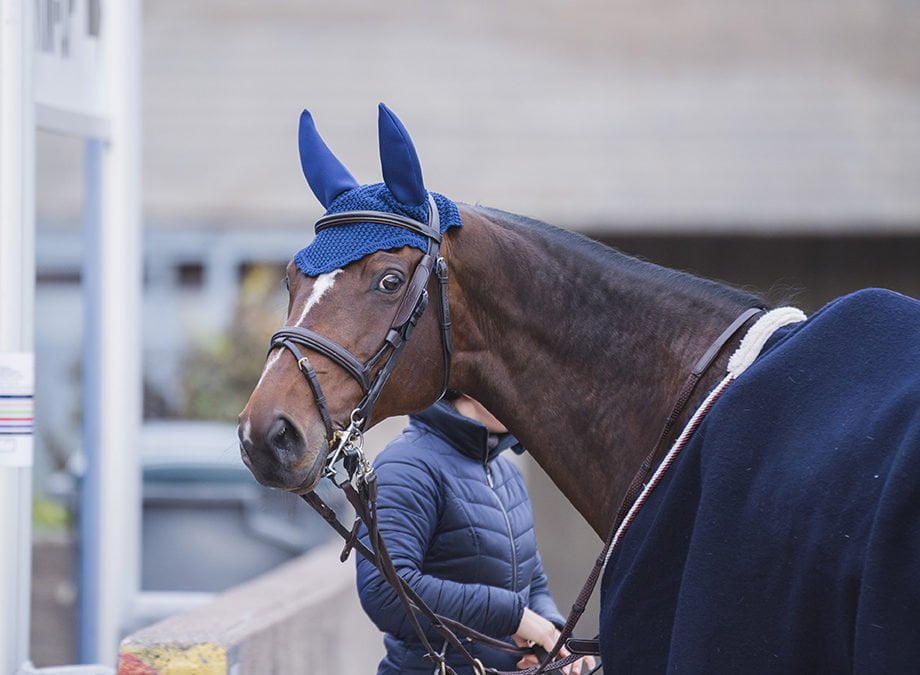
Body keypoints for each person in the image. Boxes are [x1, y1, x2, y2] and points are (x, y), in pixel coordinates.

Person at [355, 392, 595, 674]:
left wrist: (549, 633)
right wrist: (514, 617)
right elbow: (385, 592)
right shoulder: (405, 465)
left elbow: (533, 582)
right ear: (472, 386)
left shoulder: (506, 473)